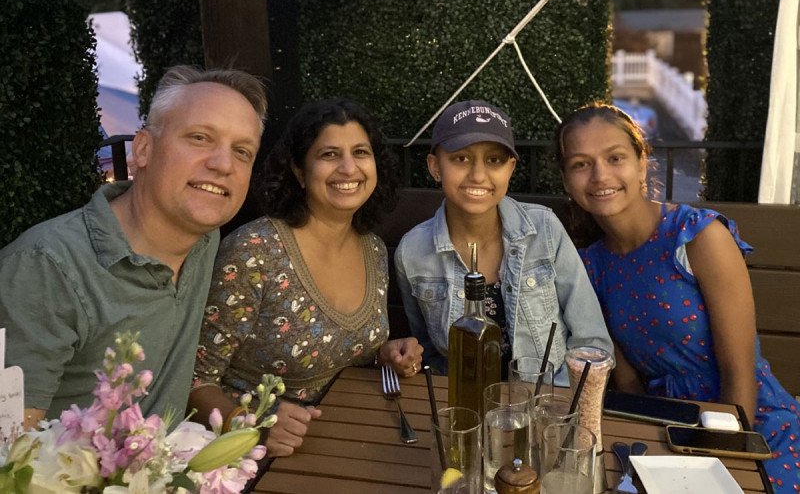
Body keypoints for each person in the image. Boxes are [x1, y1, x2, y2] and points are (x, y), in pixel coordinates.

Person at [0, 65, 267, 428]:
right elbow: (11, 455)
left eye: (242, 151)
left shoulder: (203, 239)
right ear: (143, 148)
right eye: (200, 137)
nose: (223, 164)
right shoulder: (45, 268)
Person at [556, 102, 800, 492]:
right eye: (581, 164)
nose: (600, 175)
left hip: (747, 423)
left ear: (641, 163)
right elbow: (628, 381)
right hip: (664, 426)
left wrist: (728, 464)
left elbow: (740, 370)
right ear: (567, 181)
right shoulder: (590, 264)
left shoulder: (697, 236)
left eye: (615, 157)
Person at [190, 98, 423, 458]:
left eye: (360, 152)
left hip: (344, 440)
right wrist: (252, 427)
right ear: (299, 171)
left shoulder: (374, 251)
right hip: (251, 457)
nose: (349, 168)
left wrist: (385, 355)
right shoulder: (255, 251)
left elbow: (338, 350)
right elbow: (194, 378)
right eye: (329, 155)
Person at [395, 100, 612, 384]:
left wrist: (558, 404)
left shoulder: (543, 229)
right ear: (435, 167)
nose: (478, 175)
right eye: (461, 158)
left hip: (545, 402)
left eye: (494, 160)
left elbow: (591, 340)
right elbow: (427, 353)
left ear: (510, 168)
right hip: (464, 404)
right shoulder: (412, 252)